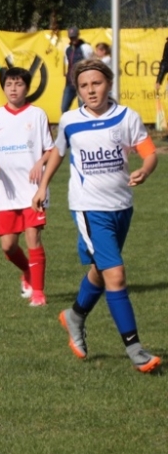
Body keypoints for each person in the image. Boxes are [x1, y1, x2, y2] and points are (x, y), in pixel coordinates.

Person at [31, 59, 161, 373]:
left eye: (96, 83)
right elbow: (58, 152)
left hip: (122, 206)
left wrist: (145, 169)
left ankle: (74, 316)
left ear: (109, 84)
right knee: (116, 275)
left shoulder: (126, 117)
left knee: (101, 272)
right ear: (77, 90)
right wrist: (43, 186)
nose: (90, 90)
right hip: (89, 208)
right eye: (84, 86)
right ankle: (136, 349)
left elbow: (149, 152)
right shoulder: (70, 120)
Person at [0, 67, 54, 307]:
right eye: (9, 84)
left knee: (33, 238)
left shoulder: (37, 115)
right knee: (8, 246)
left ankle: (39, 293)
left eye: (19, 84)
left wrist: (40, 163)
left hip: (33, 190)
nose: (13, 89)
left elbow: (51, 149)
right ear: (3, 87)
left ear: (27, 88)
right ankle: (28, 271)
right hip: (6, 192)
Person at [60, 26, 94, 113]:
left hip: (82, 83)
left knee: (83, 108)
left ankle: (85, 122)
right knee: (64, 108)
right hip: (70, 83)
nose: (73, 39)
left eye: (74, 37)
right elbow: (67, 63)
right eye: (71, 37)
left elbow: (92, 62)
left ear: (78, 35)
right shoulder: (67, 49)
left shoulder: (85, 47)